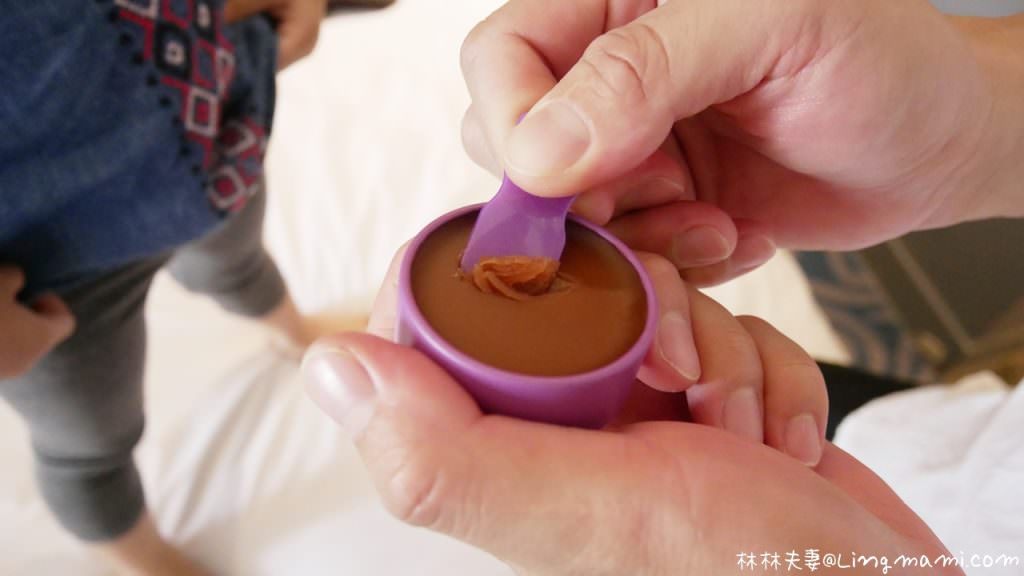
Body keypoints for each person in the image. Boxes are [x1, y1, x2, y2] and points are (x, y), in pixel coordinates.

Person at [303, 0, 1024, 574]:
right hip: (930, 443)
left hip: (925, 494)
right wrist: (981, 115)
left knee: (734, 385)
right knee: (749, 399)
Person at [0, 1, 332, 574]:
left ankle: (291, 331)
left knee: (238, 265)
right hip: (44, 282)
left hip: (211, 138)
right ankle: (148, 560)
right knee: (90, 450)